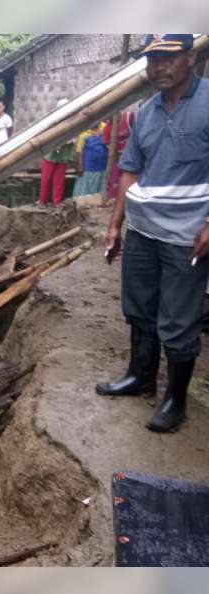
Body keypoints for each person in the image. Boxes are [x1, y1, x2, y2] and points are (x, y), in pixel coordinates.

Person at [97, 34, 209, 433]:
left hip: (187, 233)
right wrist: (115, 225)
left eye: (167, 59)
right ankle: (139, 376)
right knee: (140, 306)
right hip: (143, 230)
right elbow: (130, 169)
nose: (158, 68)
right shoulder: (146, 111)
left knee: (179, 318)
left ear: (189, 58)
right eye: (151, 61)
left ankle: (175, 401)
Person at [38, 98, 75, 207]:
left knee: (59, 180)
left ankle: (56, 202)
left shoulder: (72, 120)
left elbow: (73, 138)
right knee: (46, 179)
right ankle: (43, 201)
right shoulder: (53, 121)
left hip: (63, 154)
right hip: (51, 154)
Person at [102, 111, 136, 200]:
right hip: (118, 158)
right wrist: (117, 155)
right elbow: (109, 147)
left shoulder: (129, 117)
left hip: (133, 157)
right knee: (115, 181)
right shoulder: (107, 128)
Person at [73, 123, 108, 197]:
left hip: (102, 166)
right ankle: (83, 203)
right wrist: (80, 166)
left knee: (100, 186)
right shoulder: (83, 134)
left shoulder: (105, 128)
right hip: (89, 168)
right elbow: (79, 152)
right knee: (85, 189)